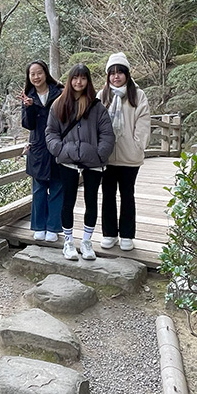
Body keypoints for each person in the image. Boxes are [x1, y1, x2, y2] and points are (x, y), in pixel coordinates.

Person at [45, 63, 114, 261]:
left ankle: (86, 241)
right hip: (67, 161)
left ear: (88, 81)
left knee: (91, 201)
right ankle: (68, 242)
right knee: (68, 201)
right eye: (75, 78)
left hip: (93, 162)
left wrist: (99, 154)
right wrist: (61, 150)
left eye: (83, 78)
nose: (79, 82)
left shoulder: (97, 106)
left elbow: (107, 134)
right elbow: (51, 133)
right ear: (70, 80)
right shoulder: (59, 104)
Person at [97, 52, 150, 251]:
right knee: (108, 194)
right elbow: (93, 123)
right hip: (107, 157)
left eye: (120, 72)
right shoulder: (102, 95)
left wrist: (138, 145)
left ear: (127, 74)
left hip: (130, 156)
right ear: (108, 75)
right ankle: (109, 233)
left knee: (127, 194)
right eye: (112, 73)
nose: (116, 77)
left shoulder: (138, 94)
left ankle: (127, 234)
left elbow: (143, 124)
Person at [20, 60, 64, 242]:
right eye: (32, 74)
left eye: (39, 73)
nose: (36, 77)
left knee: (57, 188)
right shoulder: (28, 96)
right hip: (38, 147)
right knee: (39, 189)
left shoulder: (60, 93)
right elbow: (27, 124)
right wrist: (29, 107)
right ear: (29, 77)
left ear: (45, 73)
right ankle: (39, 226)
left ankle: (53, 227)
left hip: (57, 147)